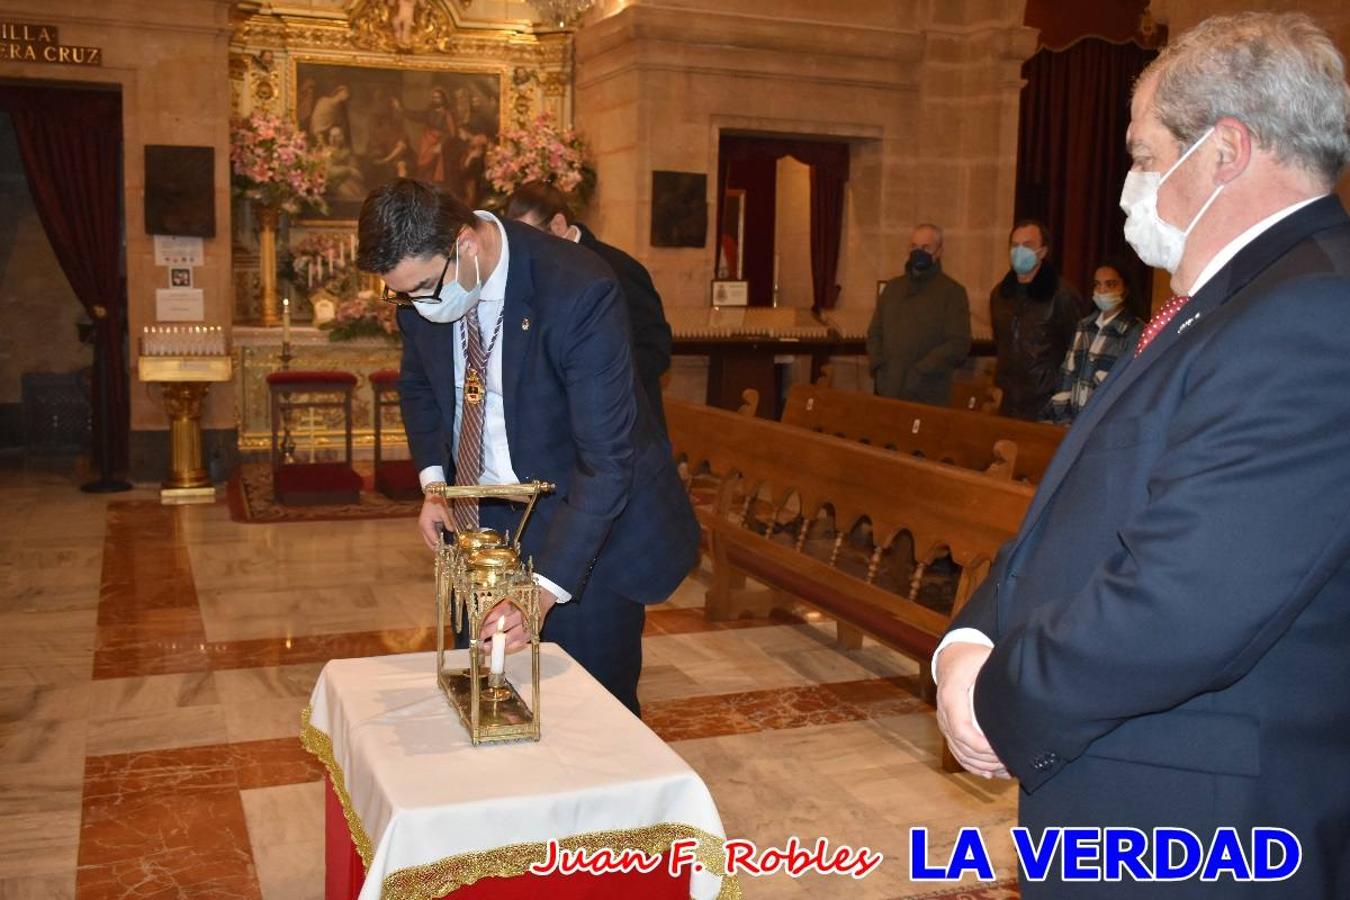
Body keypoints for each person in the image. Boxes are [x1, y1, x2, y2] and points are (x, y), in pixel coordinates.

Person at [935, 12, 1350, 896]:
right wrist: (973, 630)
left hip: (1204, 827)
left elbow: (1189, 599)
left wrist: (998, 699)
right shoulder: (1234, 298)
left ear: (1226, 150)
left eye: (1146, 153)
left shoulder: (1313, 313)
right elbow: (1089, 501)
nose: (1131, 182)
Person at [355, 179, 699, 715]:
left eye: (423, 288)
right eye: (402, 295)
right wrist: (434, 488)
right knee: (492, 695)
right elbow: (420, 384)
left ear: (465, 244)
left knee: (592, 709)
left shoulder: (577, 287)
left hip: (587, 521)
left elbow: (606, 462)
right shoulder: (424, 288)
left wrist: (542, 587)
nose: (417, 307)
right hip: (486, 517)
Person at [506, 181, 674, 433]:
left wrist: (594, 378)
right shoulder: (532, 273)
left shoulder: (617, 268)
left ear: (558, 225)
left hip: (622, 425)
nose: (525, 249)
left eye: (531, 237)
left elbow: (655, 349)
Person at [866, 223, 971, 405]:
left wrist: (921, 370)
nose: (918, 252)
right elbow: (875, 333)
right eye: (914, 246)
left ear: (938, 251)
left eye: (925, 247)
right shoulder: (893, 288)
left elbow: (958, 343)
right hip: (888, 389)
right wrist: (878, 367)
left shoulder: (952, 292)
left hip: (928, 391)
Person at [988, 220, 1082, 419]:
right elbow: (1001, 344)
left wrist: (1061, 400)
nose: (1019, 251)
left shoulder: (1061, 295)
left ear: (1043, 251)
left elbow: (1075, 352)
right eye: (1015, 245)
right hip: (1008, 402)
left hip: (1046, 403)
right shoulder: (1000, 295)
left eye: (1028, 245)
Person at [1043, 261, 1143, 424]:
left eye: (1110, 284)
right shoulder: (1084, 326)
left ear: (1125, 289)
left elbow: (1130, 390)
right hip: (1072, 422)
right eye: (1097, 285)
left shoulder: (1135, 332)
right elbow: (1067, 376)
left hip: (1106, 426)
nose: (1102, 290)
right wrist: (1061, 418)